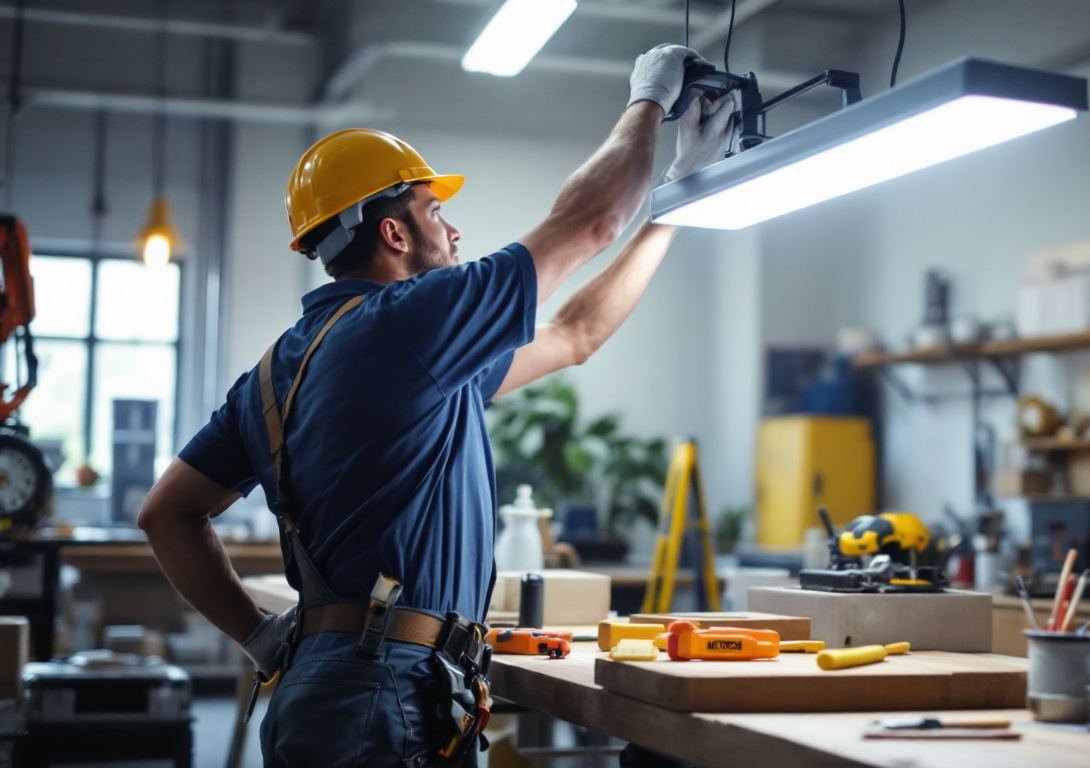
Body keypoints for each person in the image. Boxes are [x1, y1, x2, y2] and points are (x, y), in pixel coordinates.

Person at [138, 43, 735, 766]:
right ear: (393, 233)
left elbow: (575, 334)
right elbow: (592, 223)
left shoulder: (286, 372)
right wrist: (649, 100)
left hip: (348, 689)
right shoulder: (407, 325)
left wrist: (676, 201)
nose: (455, 232)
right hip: (383, 696)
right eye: (435, 210)